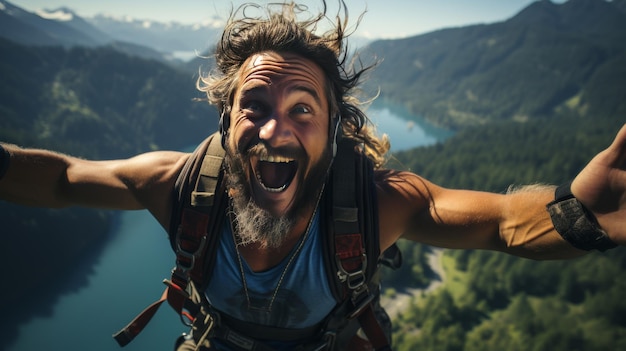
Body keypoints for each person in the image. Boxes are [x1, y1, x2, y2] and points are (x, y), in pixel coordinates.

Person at [1, 1, 625, 350]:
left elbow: (503, 227)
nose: (276, 131)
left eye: (303, 109)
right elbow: (61, 177)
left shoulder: (373, 204)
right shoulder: (182, 186)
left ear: (334, 126)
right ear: (226, 122)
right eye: (256, 108)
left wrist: (581, 216)